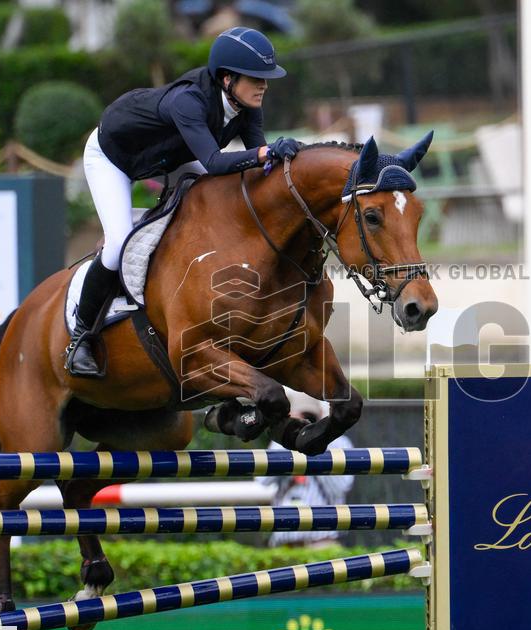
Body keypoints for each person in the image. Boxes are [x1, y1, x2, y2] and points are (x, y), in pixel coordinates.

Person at [68, 26, 301, 377]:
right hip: (113, 157)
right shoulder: (188, 101)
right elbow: (215, 162)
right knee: (117, 244)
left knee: (214, 203)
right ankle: (81, 338)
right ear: (227, 79)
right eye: (256, 78)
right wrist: (267, 152)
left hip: (170, 157)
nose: (264, 85)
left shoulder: (247, 105)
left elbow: (257, 164)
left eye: (265, 79)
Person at [260, 390, 354, 549]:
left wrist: (318, 442)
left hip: (322, 540)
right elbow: (263, 480)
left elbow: (341, 487)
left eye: (309, 416)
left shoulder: (339, 443)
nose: (305, 422)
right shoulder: (280, 442)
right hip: (285, 540)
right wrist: (288, 435)